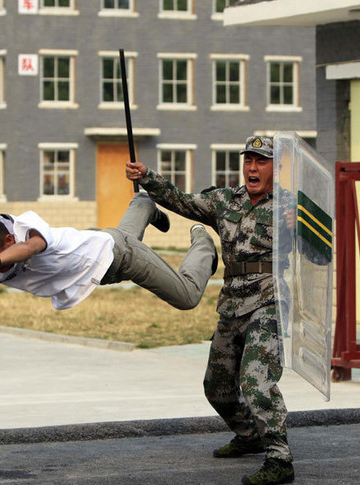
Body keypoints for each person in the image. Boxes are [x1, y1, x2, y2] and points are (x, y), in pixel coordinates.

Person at [126, 136, 295, 485]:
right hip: (233, 303)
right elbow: (181, 200)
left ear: (276, 167)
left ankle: (280, 458)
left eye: (261, 161)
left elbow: (322, 253)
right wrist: (147, 177)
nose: (252, 168)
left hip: (270, 301)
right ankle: (248, 435)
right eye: (248, 160)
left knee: (256, 380)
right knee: (216, 385)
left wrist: (301, 229)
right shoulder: (224, 200)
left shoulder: (291, 207)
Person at [0, 192, 217, 311]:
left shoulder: (27, 228)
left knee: (187, 296)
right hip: (98, 250)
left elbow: (30, 248)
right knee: (121, 234)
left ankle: (202, 240)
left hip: (119, 256)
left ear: (7, 241)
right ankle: (144, 203)